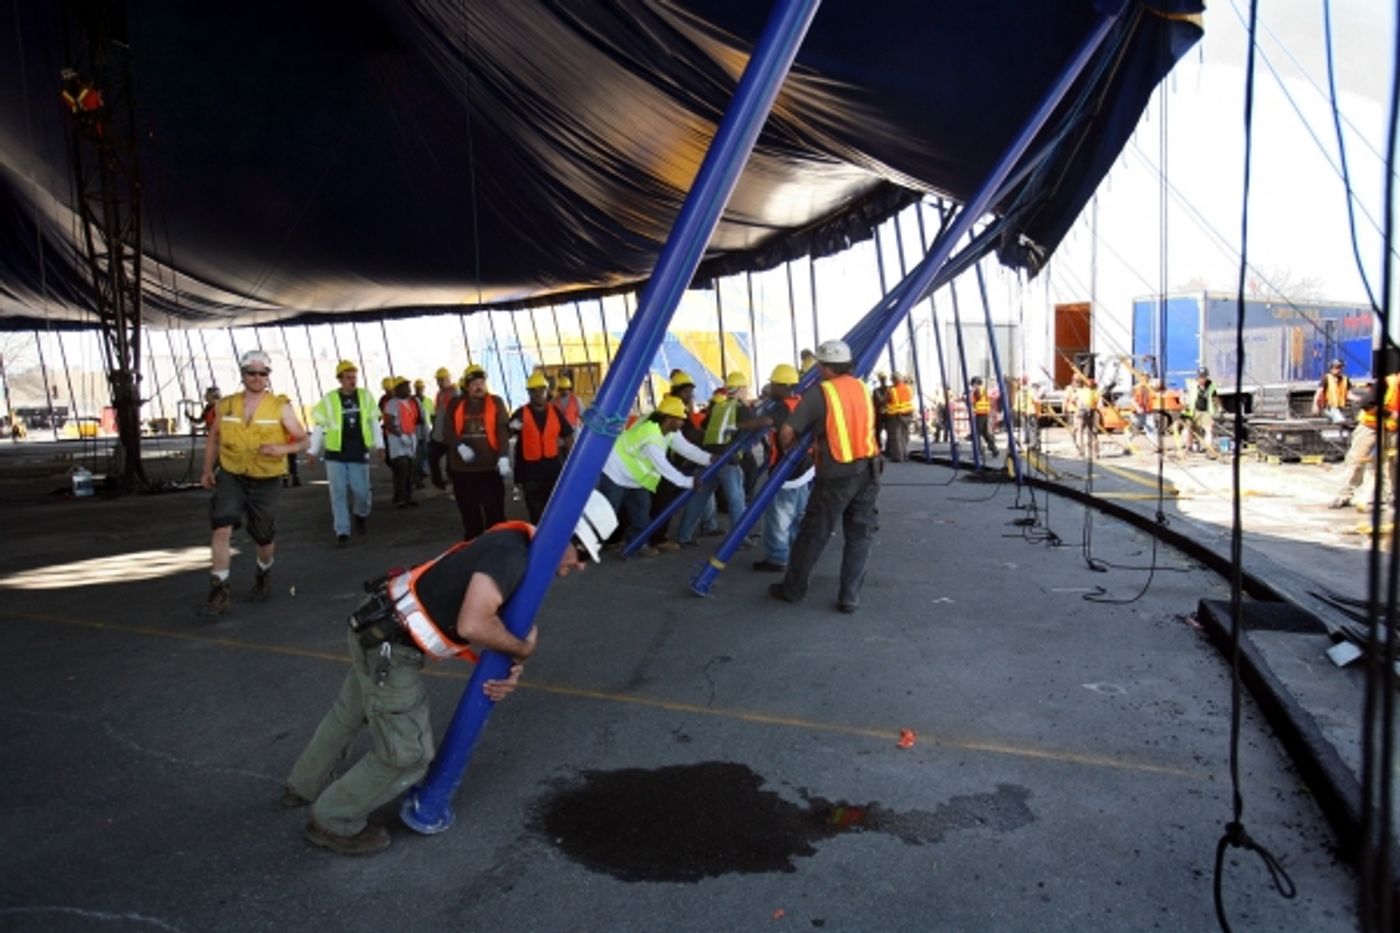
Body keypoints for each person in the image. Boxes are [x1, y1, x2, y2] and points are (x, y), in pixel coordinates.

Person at [282, 490, 619, 856]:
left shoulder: (518, 547)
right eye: (583, 553)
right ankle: (333, 820)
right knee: (407, 755)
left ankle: (303, 785)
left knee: (349, 712)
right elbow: (474, 623)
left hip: (378, 624)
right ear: (565, 535)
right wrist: (522, 649)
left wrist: (512, 665)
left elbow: (493, 623)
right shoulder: (513, 555)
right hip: (390, 646)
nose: (582, 565)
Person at [769, 339, 880, 613]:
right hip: (869, 469)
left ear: (824, 366)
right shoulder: (863, 388)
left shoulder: (821, 393)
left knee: (814, 533)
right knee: (859, 535)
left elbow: (786, 432)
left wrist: (789, 451)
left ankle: (793, 590)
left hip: (836, 473)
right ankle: (849, 596)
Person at [199, 350, 308, 615]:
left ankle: (263, 572)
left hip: (266, 479)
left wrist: (280, 450)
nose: (257, 378)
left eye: (263, 373)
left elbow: (304, 440)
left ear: (268, 377)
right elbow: (213, 438)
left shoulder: (280, 406)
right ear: (243, 374)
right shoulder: (224, 405)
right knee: (221, 528)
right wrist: (207, 470)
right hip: (232, 474)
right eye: (252, 373)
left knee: (263, 538)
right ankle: (219, 590)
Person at [598, 395, 710, 554]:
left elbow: (685, 448)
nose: (683, 422)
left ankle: (639, 544)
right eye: (680, 419)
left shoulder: (667, 429)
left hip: (635, 477)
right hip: (615, 471)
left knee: (641, 510)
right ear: (669, 419)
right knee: (608, 511)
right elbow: (664, 467)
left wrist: (708, 459)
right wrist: (688, 482)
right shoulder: (650, 435)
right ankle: (584, 547)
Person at [307, 360, 383, 548]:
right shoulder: (329, 399)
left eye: (354, 377)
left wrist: (380, 445)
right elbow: (319, 426)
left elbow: (374, 422)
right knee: (338, 493)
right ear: (340, 379)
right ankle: (342, 531)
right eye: (348, 377)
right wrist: (312, 451)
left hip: (358, 451)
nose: (352, 381)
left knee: (362, 493)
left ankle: (361, 514)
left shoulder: (365, 397)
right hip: (335, 453)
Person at [750, 363, 813, 572]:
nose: (771, 388)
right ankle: (794, 552)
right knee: (796, 513)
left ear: (782, 385)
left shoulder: (783, 406)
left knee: (777, 517)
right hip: (805, 468)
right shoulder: (801, 402)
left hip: (787, 470)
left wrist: (736, 425)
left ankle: (777, 558)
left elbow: (766, 421)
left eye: (773, 384)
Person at [676, 372, 752, 546]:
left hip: (708, 458)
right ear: (741, 389)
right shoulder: (741, 408)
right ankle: (738, 539)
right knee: (736, 499)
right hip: (727, 458)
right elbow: (747, 432)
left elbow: (704, 426)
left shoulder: (719, 406)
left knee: (699, 497)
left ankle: (684, 535)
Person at [444, 365, 511, 538]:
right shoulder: (455, 403)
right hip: (463, 471)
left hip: (489, 469)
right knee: (470, 515)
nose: (479, 386)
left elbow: (502, 430)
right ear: (466, 386)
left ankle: (496, 548)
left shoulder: (496, 402)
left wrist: (503, 456)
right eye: (474, 383)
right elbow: (448, 430)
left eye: (482, 382)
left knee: (495, 516)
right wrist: (459, 446)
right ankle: (473, 550)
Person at [510, 371, 574, 522]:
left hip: (552, 466)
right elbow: (506, 434)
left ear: (547, 391)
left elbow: (568, 435)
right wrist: (512, 427)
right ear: (529, 393)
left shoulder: (555, 412)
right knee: (535, 507)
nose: (538, 394)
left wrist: (571, 460)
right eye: (534, 391)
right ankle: (538, 538)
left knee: (554, 504)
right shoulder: (521, 413)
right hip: (529, 469)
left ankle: (553, 534)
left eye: (541, 390)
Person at [1331, 373, 1399, 509]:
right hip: (1370, 426)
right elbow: (1366, 404)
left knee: (1391, 463)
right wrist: (1389, 414)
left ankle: (1392, 496)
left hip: (1392, 429)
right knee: (1358, 459)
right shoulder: (1387, 383)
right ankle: (1345, 494)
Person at [382, 377, 422, 508]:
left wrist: (413, 437)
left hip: (410, 438)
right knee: (401, 469)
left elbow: (415, 420)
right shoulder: (392, 404)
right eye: (405, 386)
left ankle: (408, 497)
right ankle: (399, 498)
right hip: (397, 441)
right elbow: (389, 424)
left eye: (408, 386)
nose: (408, 389)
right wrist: (401, 436)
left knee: (410, 469)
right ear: (398, 389)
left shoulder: (411, 403)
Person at [427, 367, 458, 490]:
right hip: (439, 435)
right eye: (438, 380)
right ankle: (439, 485)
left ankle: (455, 488)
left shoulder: (455, 394)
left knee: (452, 463)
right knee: (433, 457)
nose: (439, 382)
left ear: (448, 379)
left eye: (441, 380)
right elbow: (439, 413)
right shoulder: (440, 394)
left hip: (451, 435)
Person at [1182, 367, 1221, 456]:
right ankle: (1189, 448)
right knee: (1190, 430)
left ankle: (1209, 449)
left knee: (1208, 430)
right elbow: (1184, 395)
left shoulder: (1211, 386)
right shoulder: (1191, 384)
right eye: (1200, 377)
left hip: (1206, 411)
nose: (1202, 379)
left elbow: (1215, 397)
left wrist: (1219, 407)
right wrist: (1183, 405)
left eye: (1204, 377)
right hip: (1192, 410)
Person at [882, 372, 915, 461]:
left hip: (895, 415)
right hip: (908, 414)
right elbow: (911, 397)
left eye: (892, 380)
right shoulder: (908, 388)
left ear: (894, 380)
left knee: (895, 437)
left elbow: (885, 401)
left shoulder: (892, 390)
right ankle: (905, 454)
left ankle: (897, 456)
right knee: (904, 436)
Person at [969, 376, 999, 458]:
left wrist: (972, 392)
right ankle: (994, 449)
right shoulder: (985, 390)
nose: (972, 386)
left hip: (980, 413)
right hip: (985, 413)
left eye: (973, 384)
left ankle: (977, 452)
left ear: (976, 384)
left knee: (976, 434)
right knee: (985, 433)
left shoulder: (979, 390)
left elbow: (976, 398)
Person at [1315, 359, 1351, 424]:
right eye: (1336, 368)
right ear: (1331, 369)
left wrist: (1359, 399)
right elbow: (1318, 393)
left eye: (1340, 367)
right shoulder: (1327, 378)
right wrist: (1315, 406)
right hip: (1329, 408)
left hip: (1340, 408)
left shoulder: (1345, 379)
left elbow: (1348, 394)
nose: (1338, 370)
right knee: (1341, 421)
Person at [412, 379, 434, 487]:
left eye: (421, 388)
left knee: (425, 452)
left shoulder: (428, 401)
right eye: (417, 388)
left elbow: (433, 415)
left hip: (425, 430)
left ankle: (424, 471)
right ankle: (418, 475)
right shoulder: (411, 401)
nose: (419, 390)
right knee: (417, 453)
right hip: (415, 430)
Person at [1074, 376, 1101, 460]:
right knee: (1093, 434)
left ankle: (1081, 452)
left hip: (1081, 413)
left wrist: (1077, 407)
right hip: (1093, 413)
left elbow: (1073, 400)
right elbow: (1100, 406)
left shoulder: (1080, 391)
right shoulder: (1096, 393)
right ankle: (1095, 453)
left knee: (1080, 433)